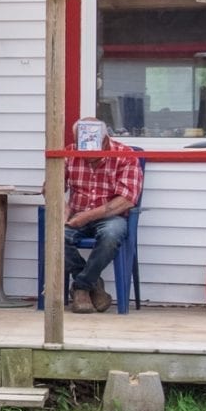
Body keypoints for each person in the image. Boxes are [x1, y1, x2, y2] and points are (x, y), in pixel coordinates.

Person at [62, 125, 141, 314]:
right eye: (83, 149)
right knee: (54, 234)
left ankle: (81, 287)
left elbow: (127, 199)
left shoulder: (125, 155)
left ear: (106, 140)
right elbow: (51, 186)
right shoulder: (69, 152)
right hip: (76, 213)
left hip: (110, 216)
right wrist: (62, 208)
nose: (88, 156)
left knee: (111, 235)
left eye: (93, 150)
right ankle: (94, 285)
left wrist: (88, 216)